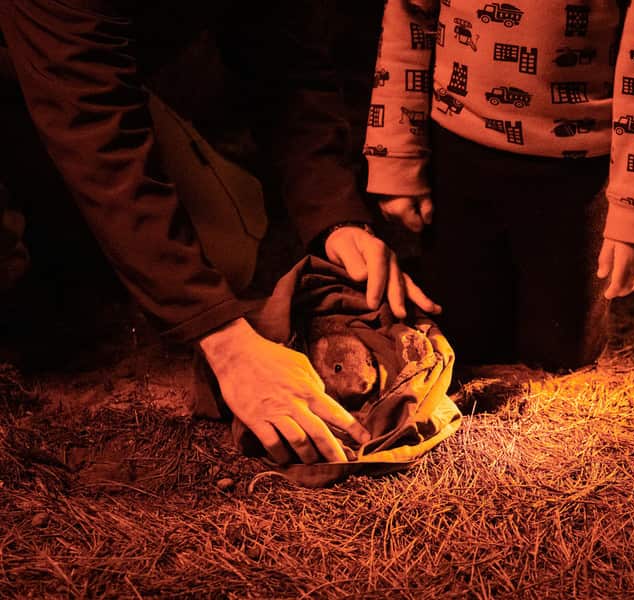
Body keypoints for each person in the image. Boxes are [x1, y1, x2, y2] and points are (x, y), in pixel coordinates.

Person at [0, 0, 439, 465]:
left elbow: (285, 64)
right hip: (37, 50)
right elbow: (98, 139)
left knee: (223, 252)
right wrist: (222, 337)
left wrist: (336, 218)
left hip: (76, 69)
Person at [364, 0, 634, 369]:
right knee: (461, 341)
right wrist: (396, 158)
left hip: (573, 172)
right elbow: (408, 17)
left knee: (562, 355)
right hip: (457, 154)